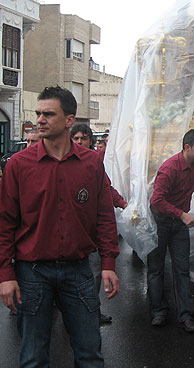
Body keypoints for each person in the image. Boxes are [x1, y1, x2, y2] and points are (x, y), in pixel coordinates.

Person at [0, 86, 120, 367]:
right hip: (32, 272)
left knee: (89, 353)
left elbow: (104, 216)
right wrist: (5, 274)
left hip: (78, 270)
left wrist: (108, 262)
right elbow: (4, 223)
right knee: (33, 357)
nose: (40, 120)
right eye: (38, 113)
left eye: (48, 114)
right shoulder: (19, 165)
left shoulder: (91, 164)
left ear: (69, 120)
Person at [147, 129, 194, 333]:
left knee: (182, 268)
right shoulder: (169, 168)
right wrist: (182, 214)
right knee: (156, 269)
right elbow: (156, 200)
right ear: (187, 147)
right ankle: (159, 311)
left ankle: (186, 315)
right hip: (161, 222)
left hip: (179, 224)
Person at [70, 123, 125, 326]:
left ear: (90, 141)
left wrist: (122, 203)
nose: (79, 142)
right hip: (70, 233)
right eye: (75, 139)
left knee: (93, 274)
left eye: (83, 138)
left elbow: (106, 189)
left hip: (90, 233)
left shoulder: (94, 162)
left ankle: (91, 311)